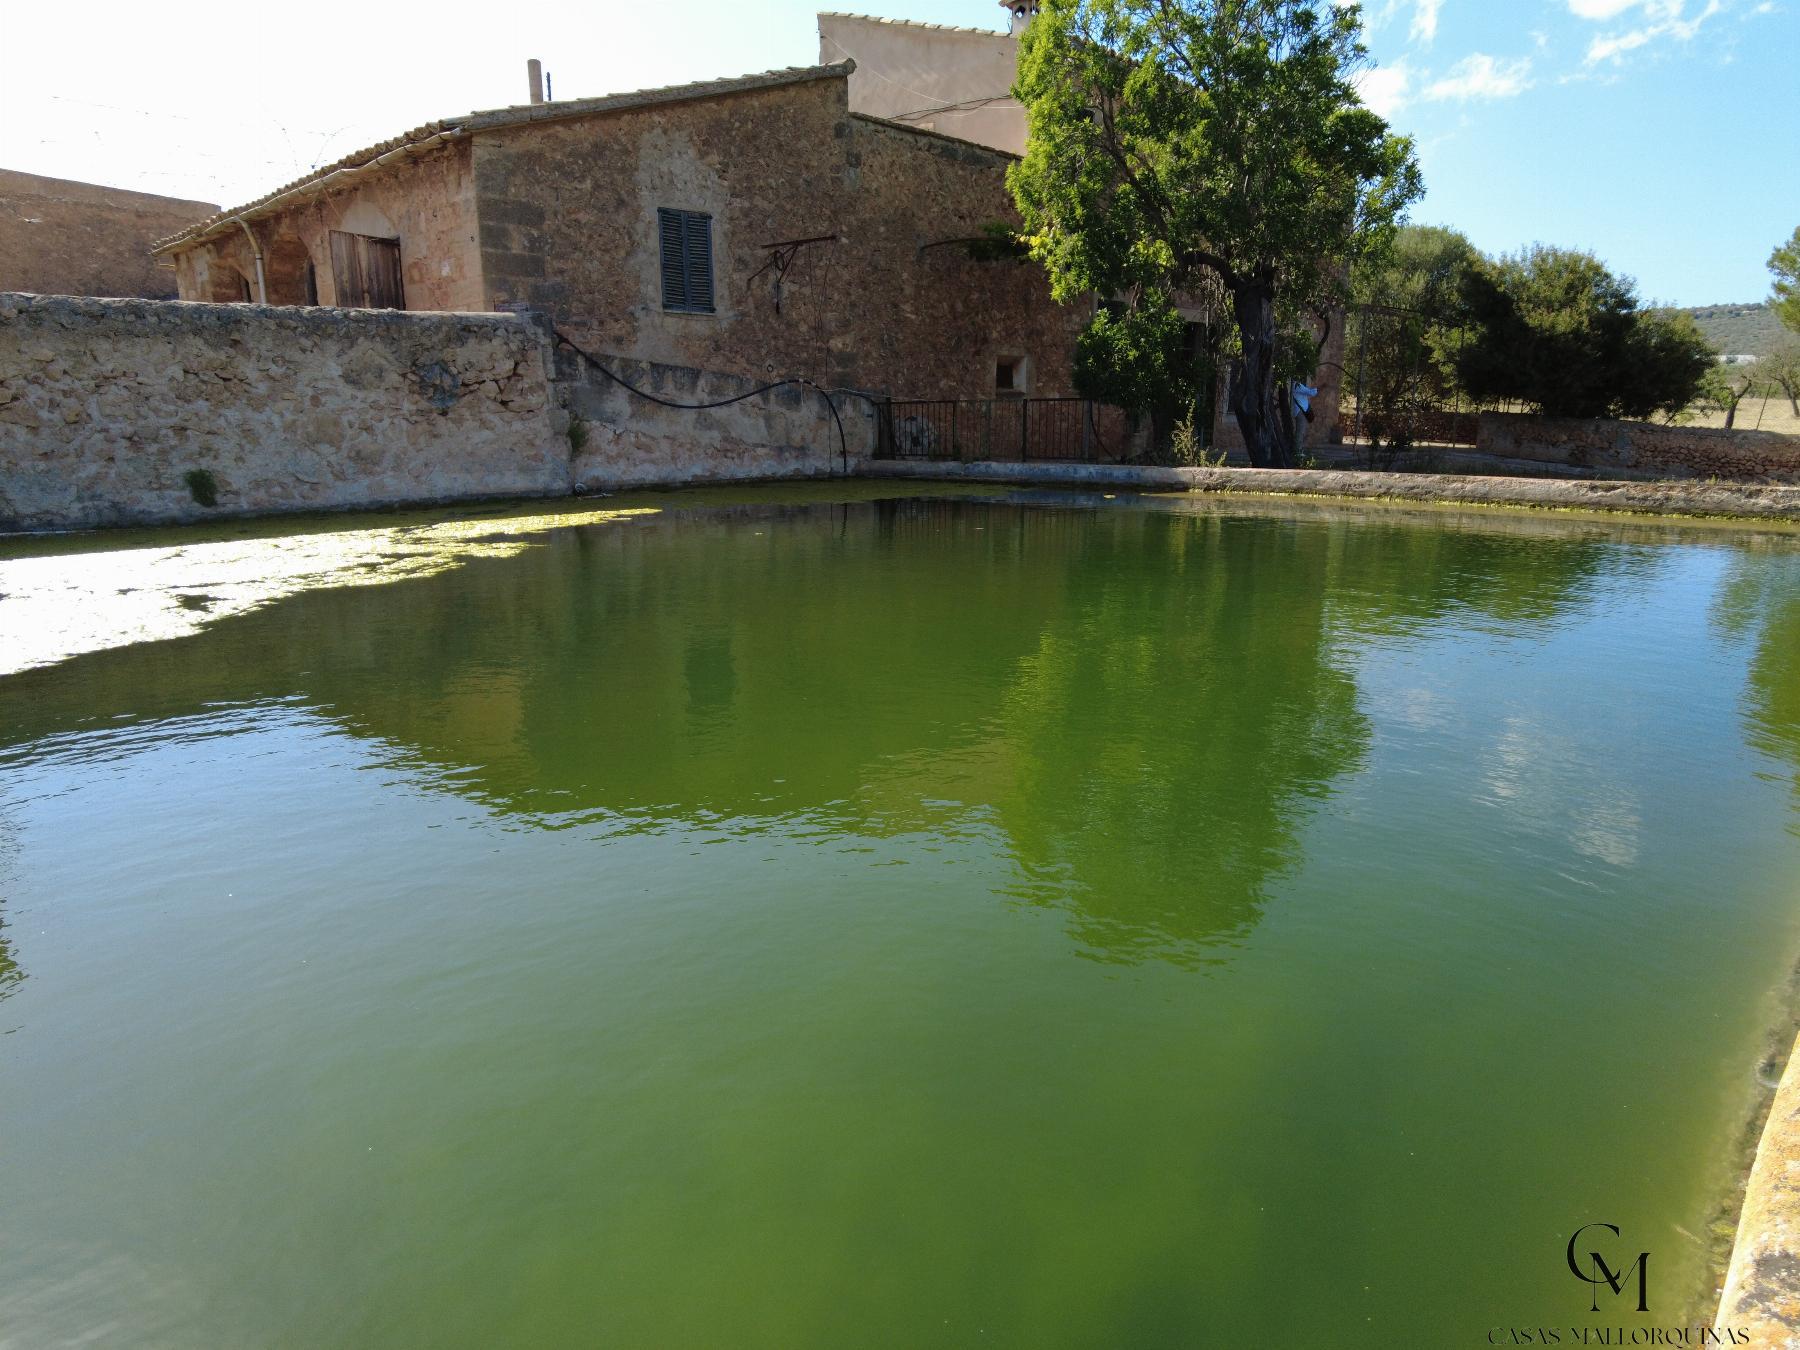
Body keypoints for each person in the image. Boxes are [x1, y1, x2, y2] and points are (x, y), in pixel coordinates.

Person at [1290, 378, 1320, 460]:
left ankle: (1298, 451)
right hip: (1301, 412)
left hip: (1300, 412)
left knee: (1300, 432)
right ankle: (1297, 452)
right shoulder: (1297, 385)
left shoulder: (1296, 385)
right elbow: (1311, 392)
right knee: (1300, 432)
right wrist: (1320, 387)